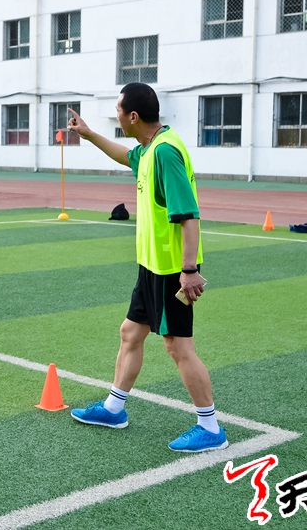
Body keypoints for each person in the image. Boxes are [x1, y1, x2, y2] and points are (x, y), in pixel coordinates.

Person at [66, 83, 227, 453]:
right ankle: (113, 408)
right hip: (151, 267)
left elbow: (189, 216)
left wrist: (189, 270)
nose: (118, 116)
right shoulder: (150, 148)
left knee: (177, 346)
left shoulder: (167, 153)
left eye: (119, 111)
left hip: (172, 270)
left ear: (133, 116)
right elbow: (127, 156)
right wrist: (89, 134)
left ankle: (211, 427)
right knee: (130, 333)